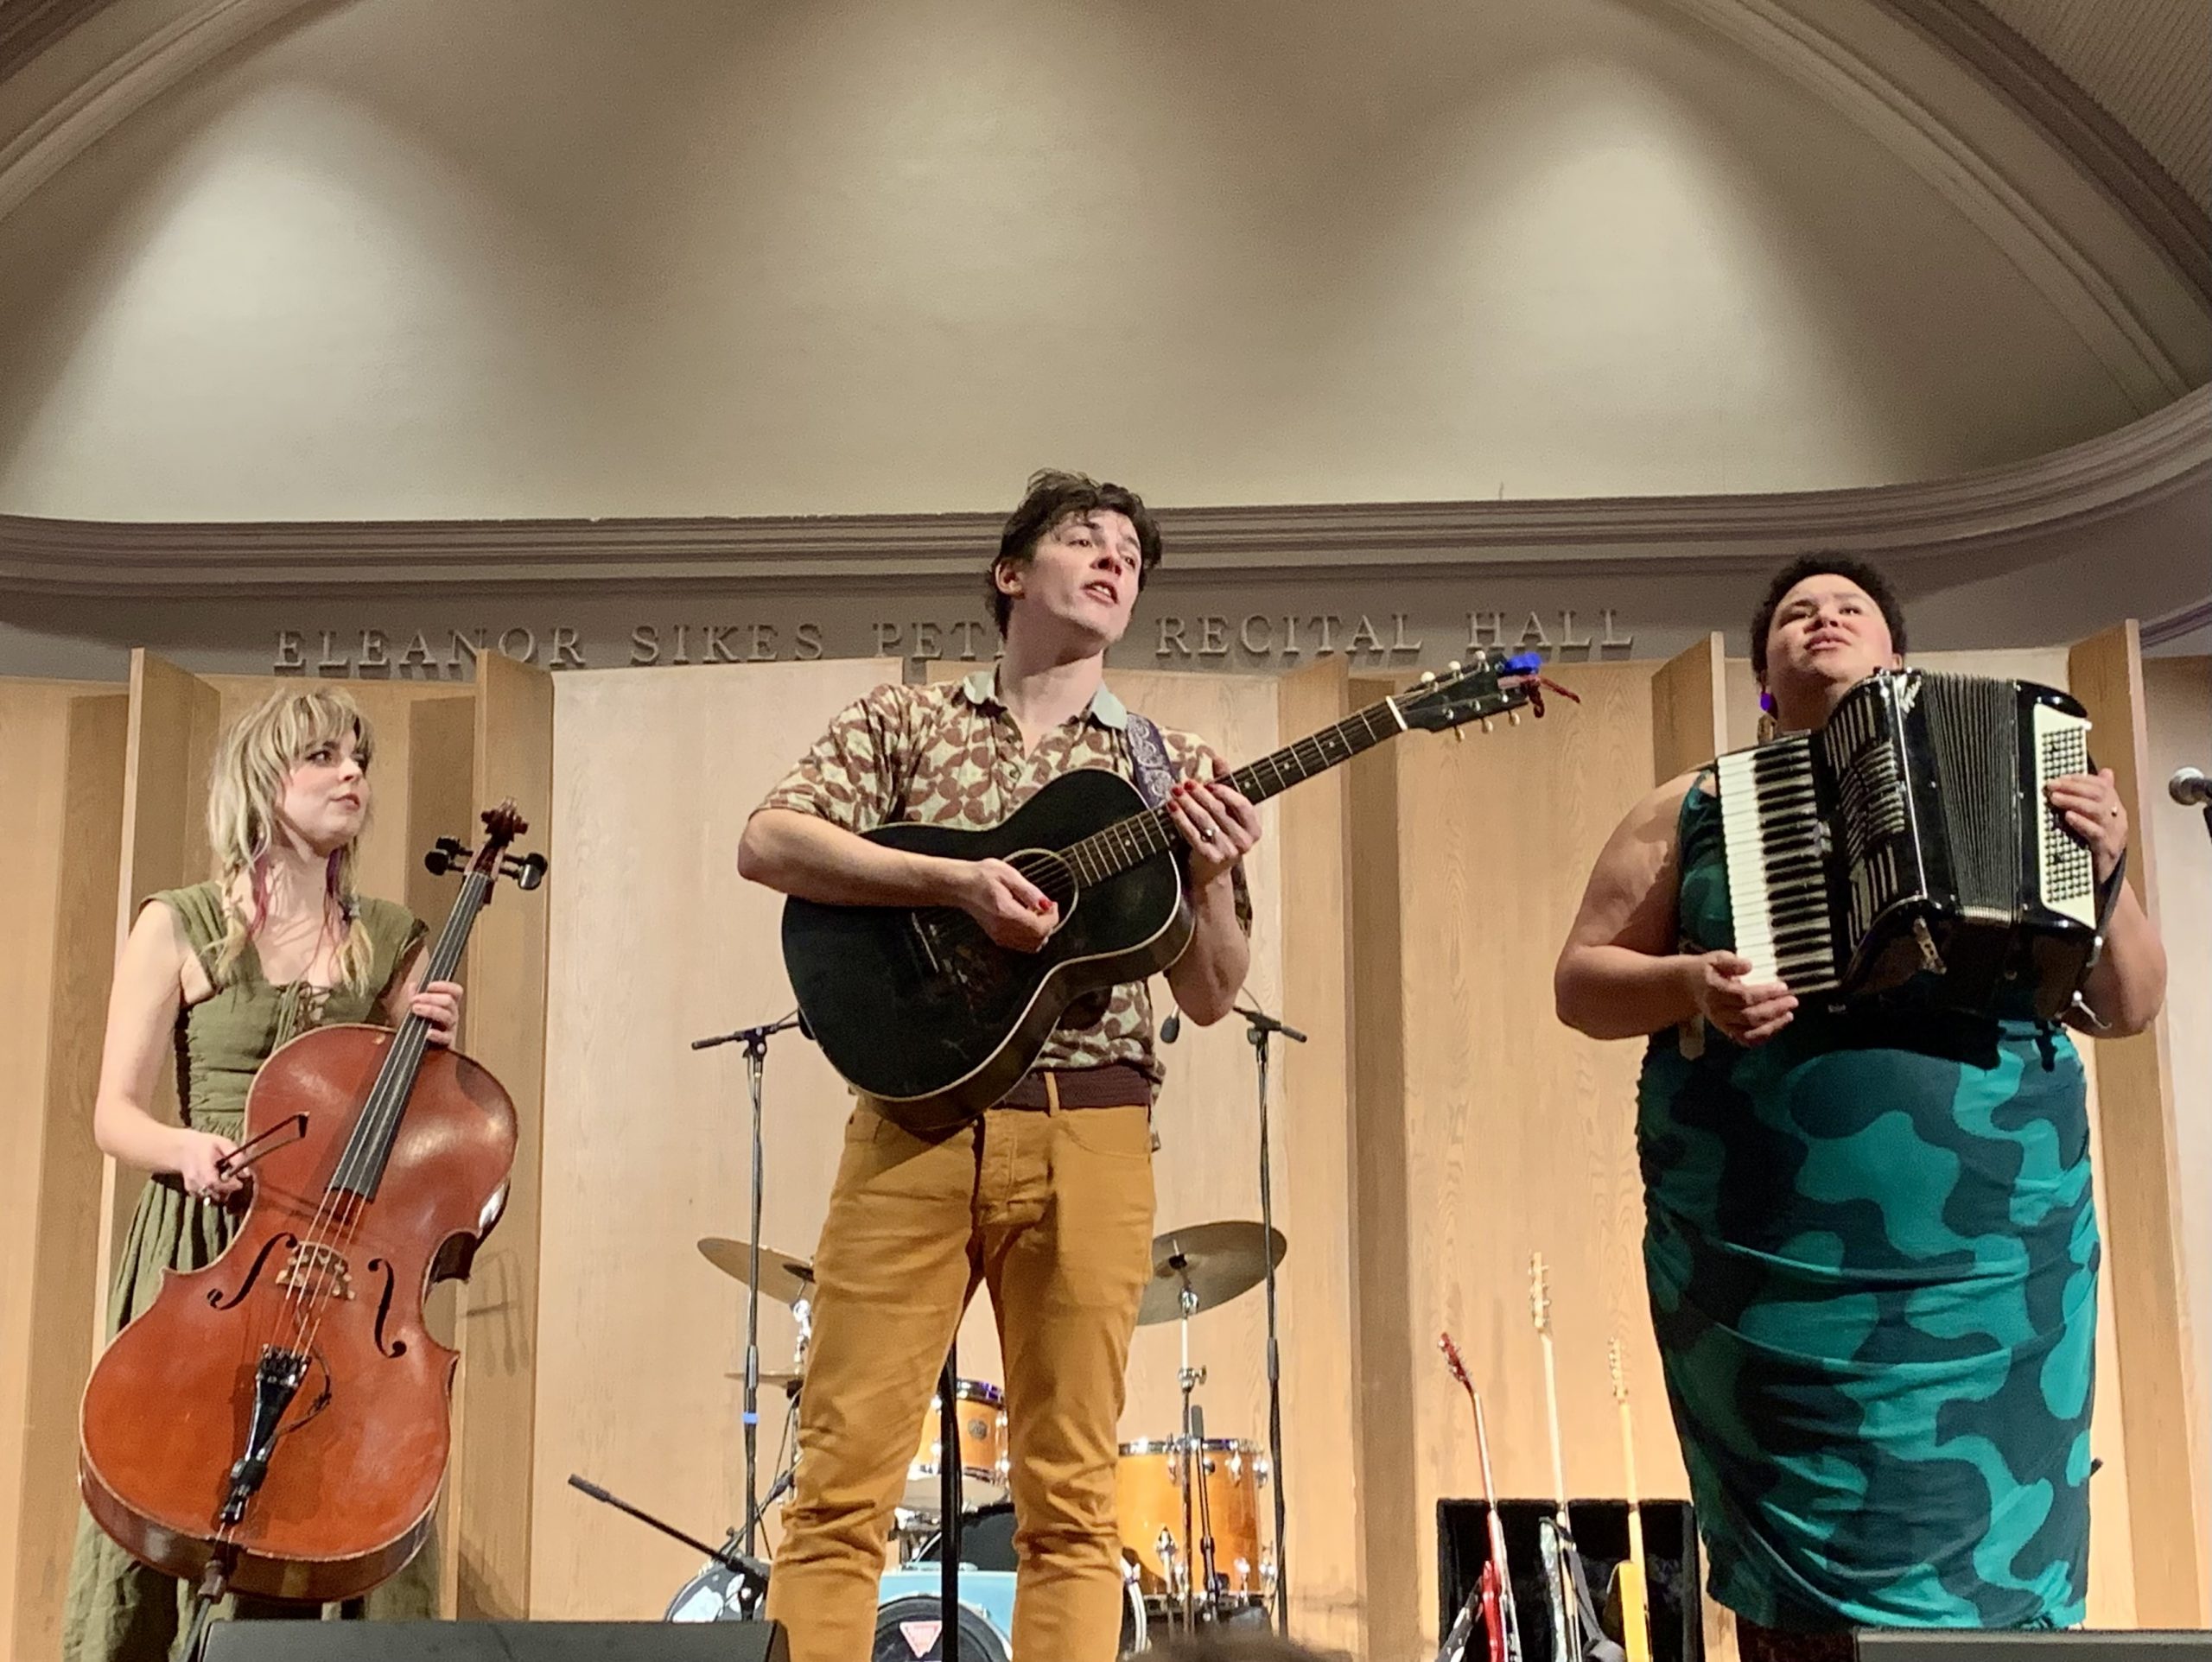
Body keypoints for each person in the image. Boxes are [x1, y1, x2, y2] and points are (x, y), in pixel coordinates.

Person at [1553, 555, 2165, 1661]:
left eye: (1849, 608)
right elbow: (1581, 982)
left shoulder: (2030, 775)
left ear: (1896, 654)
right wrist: (1689, 983)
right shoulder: (1693, 806)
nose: (1823, 619)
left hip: (1998, 1260)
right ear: (1762, 674)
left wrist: (2110, 866)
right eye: (1796, 613)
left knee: (1999, 1566)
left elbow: (2125, 1004)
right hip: (1774, 1270)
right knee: (1801, 1592)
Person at [738, 468, 1260, 1662]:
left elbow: (1210, 993)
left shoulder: (1171, 762)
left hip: (1093, 1125)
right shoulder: (905, 722)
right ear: (1011, 573)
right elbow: (769, 841)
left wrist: (1217, 875)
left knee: (1071, 1505)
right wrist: (957, 882)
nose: (1115, 559)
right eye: (1087, 538)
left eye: (1132, 553)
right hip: (912, 1120)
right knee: (838, 1488)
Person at [62, 687, 465, 1662]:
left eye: (359, 757)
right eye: (322, 756)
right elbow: (114, 1114)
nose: (351, 773)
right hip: (206, 1252)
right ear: (263, 778)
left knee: (329, 1489)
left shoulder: (391, 937)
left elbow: (424, 1140)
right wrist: (185, 1150)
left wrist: (440, 1057)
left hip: (337, 1265)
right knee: (167, 1481)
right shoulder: (179, 924)